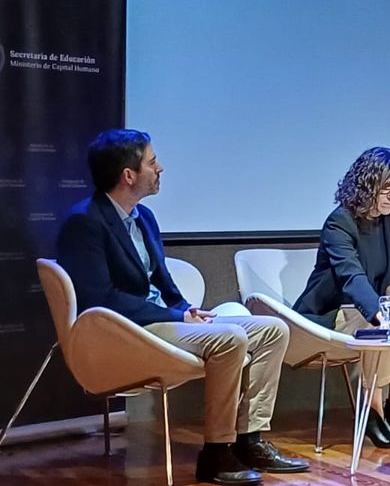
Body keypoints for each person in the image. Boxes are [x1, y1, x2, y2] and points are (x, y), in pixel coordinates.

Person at [56, 129, 308, 486]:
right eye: (152, 162)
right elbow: (102, 299)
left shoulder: (143, 217)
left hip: (162, 320)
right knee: (230, 339)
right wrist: (176, 315)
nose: (160, 168)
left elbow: (161, 280)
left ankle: (250, 439)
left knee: (272, 330)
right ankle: (216, 452)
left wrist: (187, 309)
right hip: (129, 331)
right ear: (129, 175)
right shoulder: (85, 222)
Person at [292, 147, 390, 449]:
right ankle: (373, 412)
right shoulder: (339, 223)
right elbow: (352, 277)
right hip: (325, 315)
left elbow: (379, 276)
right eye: (386, 188)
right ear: (367, 185)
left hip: (361, 309)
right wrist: (381, 315)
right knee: (379, 327)